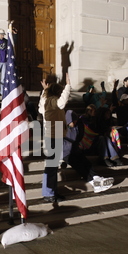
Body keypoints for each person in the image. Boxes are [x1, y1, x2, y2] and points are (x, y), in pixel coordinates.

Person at [38, 73, 71, 203]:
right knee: (51, 166)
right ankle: (48, 193)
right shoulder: (53, 102)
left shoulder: (48, 101)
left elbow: (41, 107)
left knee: (53, 166)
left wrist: (45, 90)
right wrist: (68, 86)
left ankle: (52, 191)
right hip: (52, 136)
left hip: (55, 135)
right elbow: (62, 102)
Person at [63, 110, 114, 193]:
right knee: (78, 165)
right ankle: (95, 183)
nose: (74, 123)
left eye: (75, 121)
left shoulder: (78, 125)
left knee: (86, 163)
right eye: (72, 121)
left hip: (75, 149)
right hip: (65, 152)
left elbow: (79, 136)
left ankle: (96, 178)